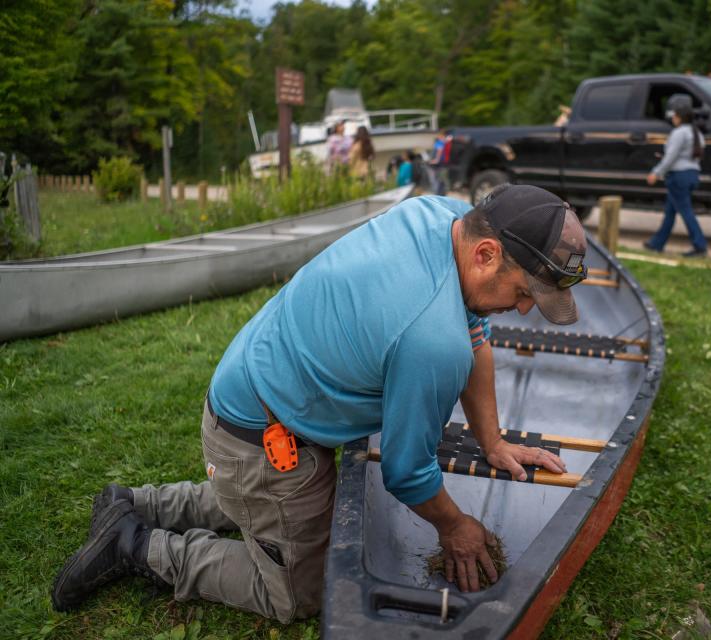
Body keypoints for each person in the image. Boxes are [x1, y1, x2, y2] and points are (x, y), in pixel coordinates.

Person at [51, 184, 589, 622]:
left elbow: (477, 337)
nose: (523, 310)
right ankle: (133, 543)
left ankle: (137, 500)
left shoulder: (442, 215)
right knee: (297, 593)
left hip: (249, 391)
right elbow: (407, 471)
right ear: (487, 253)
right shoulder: (430, 338)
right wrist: (455, 527)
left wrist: (491, 442)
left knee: (273, 505)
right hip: (262, 440)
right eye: (524, 293)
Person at [643, 94, 707, 257]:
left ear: (679, 116)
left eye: (674, 116)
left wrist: (656, 172)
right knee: (670, 212)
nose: (672, 119)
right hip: (693, 174)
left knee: (686, 211)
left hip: (679, 176)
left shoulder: (679, 133)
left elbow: (670, 157)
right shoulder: (697, 133)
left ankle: (700, 245)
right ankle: (657, 243)